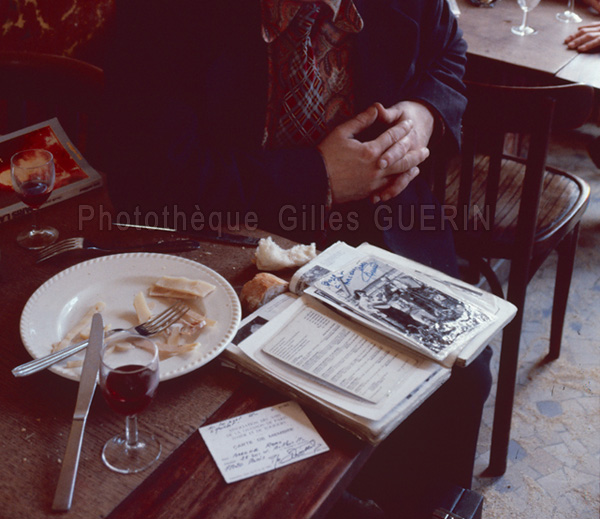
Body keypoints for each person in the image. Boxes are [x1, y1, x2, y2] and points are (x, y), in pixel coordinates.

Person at [98, 1, 492, 517]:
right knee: (230, 421)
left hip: (384, 226)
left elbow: (447, 53)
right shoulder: (162, 15)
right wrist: (319, 178)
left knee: (459, 375)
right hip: (228, 237)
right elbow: (146, 180)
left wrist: (424, 113)